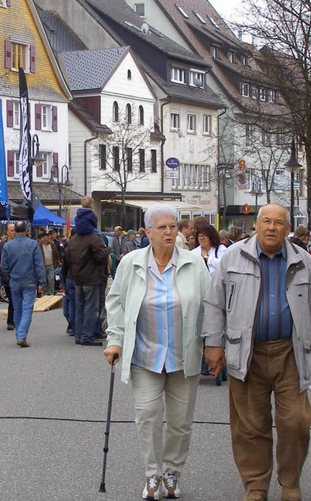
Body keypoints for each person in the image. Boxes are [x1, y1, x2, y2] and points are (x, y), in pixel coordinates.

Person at [203, 204, 311, 501]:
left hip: (291, 352)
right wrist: (213, 344)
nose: (272, 227)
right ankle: (256, 486)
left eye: (279, 222)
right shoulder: (233, 257)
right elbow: (214, 304)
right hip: (246, 352)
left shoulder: (304, 261)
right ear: (256, 225)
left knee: (295, 420)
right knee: (249, 425)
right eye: (266, 221)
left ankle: (290, 482)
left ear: (287, 229)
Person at [104, 204, 210, 500]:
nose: (168, 232)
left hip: (183, 356)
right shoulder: (131, 263)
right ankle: (152, 473)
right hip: (145, 356)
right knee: (148, 415)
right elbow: (116, 304)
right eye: (161, 227)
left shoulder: (194, 264)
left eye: (173, 226)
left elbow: (209, 306)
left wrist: (213, 344)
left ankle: (172, 472)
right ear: (147, 232)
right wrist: (115, 340)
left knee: (180, 422)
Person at [64, 209, 108, 346]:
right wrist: (107, 250)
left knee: (79, 307)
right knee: (91, 308)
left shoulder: (73, 240)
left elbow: (67, 259)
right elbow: (101, 256)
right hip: (91, 278)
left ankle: (78, 334)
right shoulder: (93, 239)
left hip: (77, 278)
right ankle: (87, 336)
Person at [0, 221, 45, 348]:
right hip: (29, 280)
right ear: (26, 230)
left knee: (17, 309)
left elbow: (3, 266)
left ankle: (18, 334)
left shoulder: (7, 246)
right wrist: (41, 281)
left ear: (15, 230)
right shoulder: (33, 244)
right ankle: (21, 335)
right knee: (27, 309)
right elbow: (38, 264)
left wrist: (8, 277)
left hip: (14, 280)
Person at [0, 222, 16, 331]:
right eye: (11, 231)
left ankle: (13, 321)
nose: (13, 233)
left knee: (16, 300)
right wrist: (3, 275)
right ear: (7, 232)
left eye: (15, 230)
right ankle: (11, 321)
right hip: (7, 276)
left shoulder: (20, 244)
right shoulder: (1, 245)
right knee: (12, 299)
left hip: (18, 275)